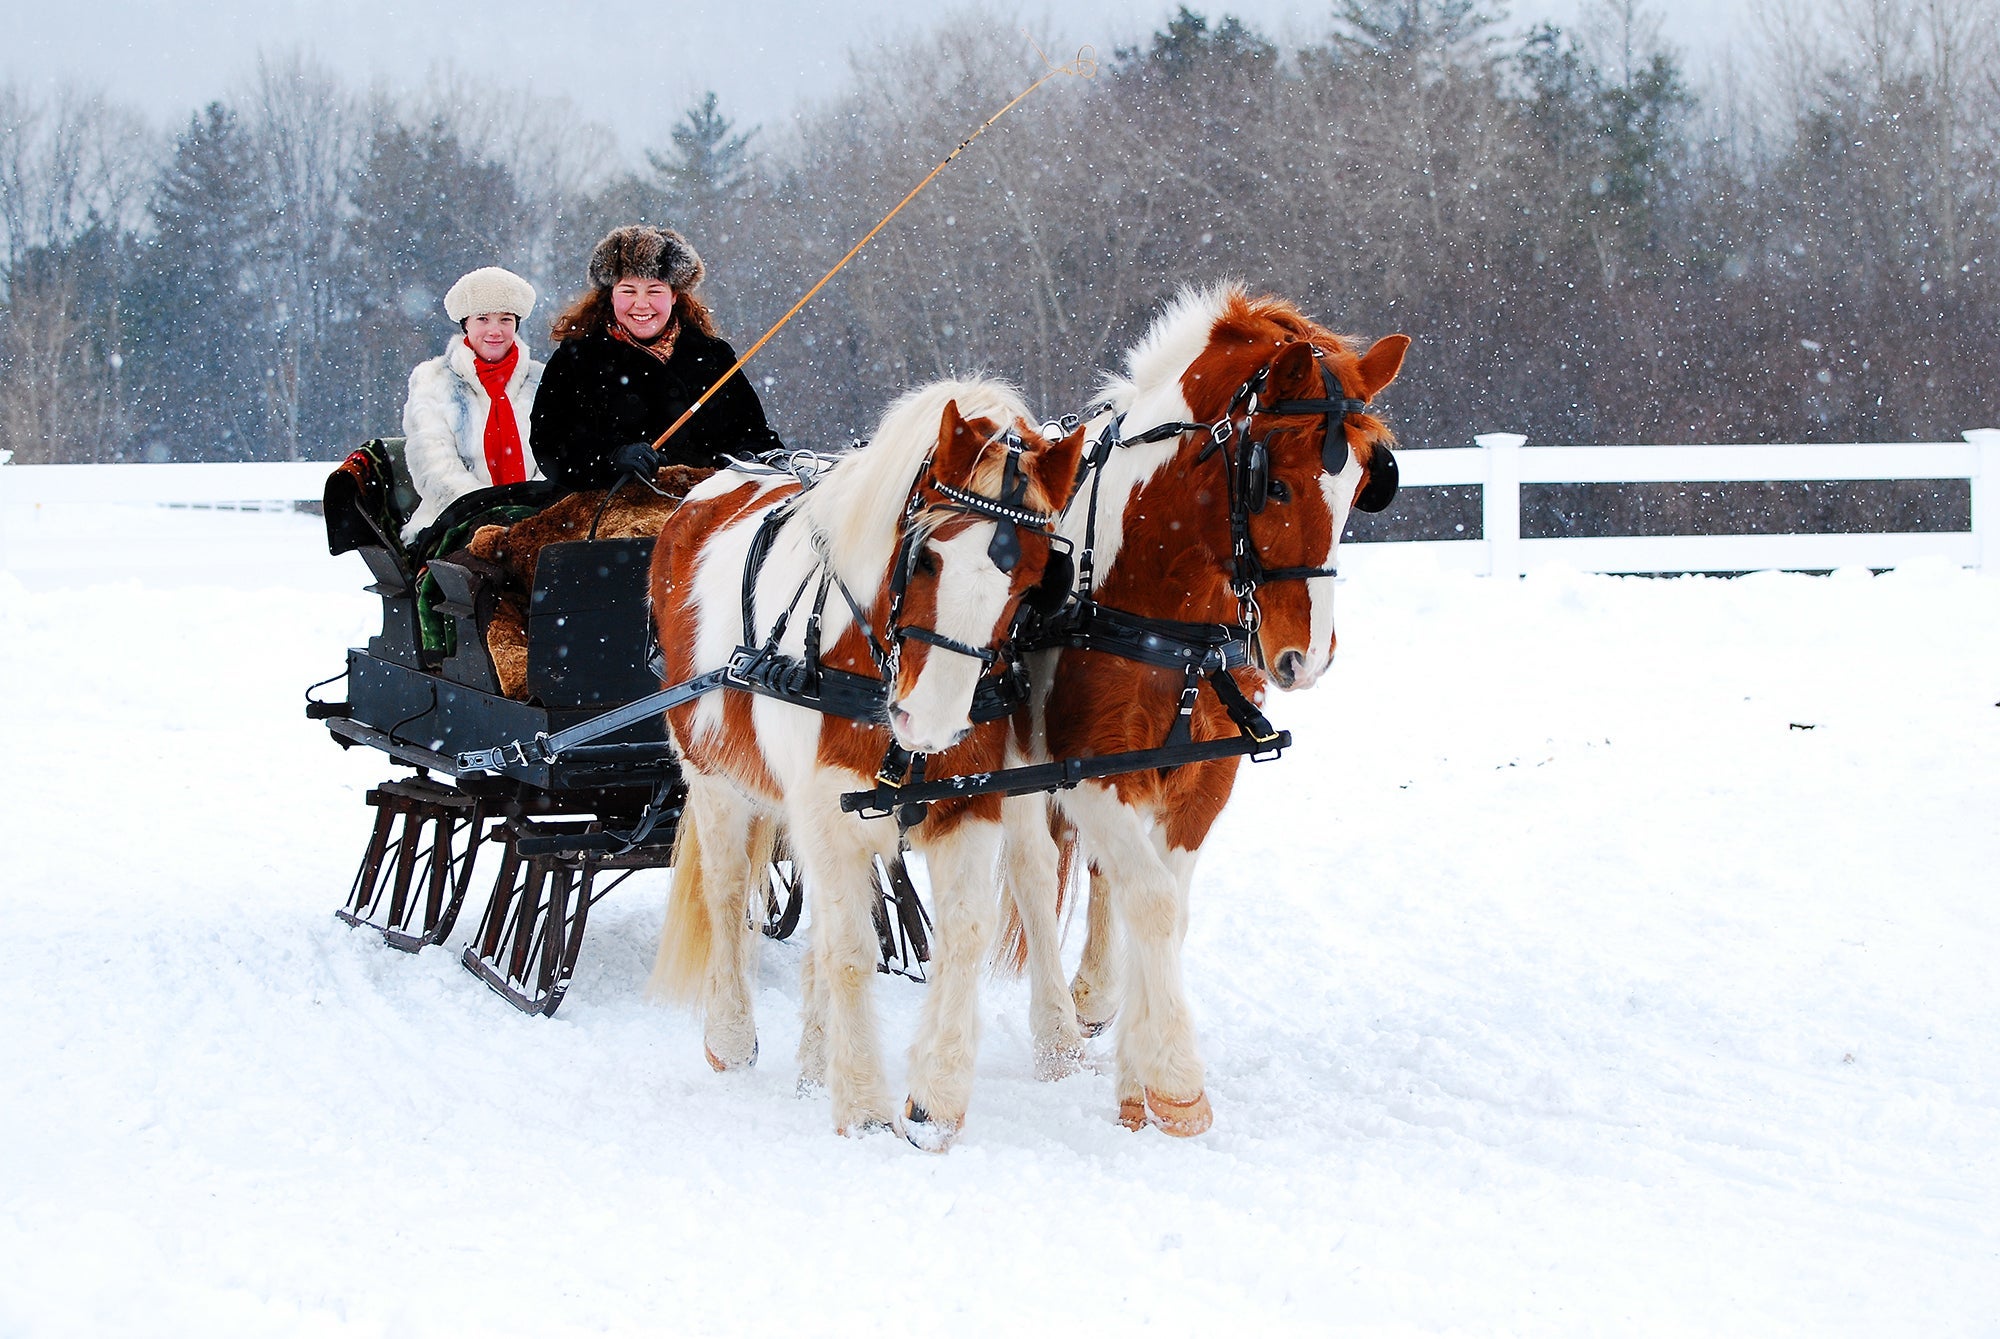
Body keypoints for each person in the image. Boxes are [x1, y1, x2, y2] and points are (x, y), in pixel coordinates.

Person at [531, 224, 782, 492]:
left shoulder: (713, 357)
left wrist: (744, 463)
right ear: (611, 295)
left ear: (674, 295)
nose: (641, 304)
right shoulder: (577, 359)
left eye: (654, 291)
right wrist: (610, 459)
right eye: (628, 291)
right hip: (607, 507)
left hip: (704, 505)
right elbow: (550, 445)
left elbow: (756, 437)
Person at [399, 266, 543, 543]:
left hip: (535, 516)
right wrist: (488, 512)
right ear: (466, 323)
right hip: (454, 518)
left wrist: (530, 509)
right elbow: (434, 464)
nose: (495, 330)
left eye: (505, 319)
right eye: (483, 319)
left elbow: (554, 456)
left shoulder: (541, 380)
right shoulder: (432, 379)